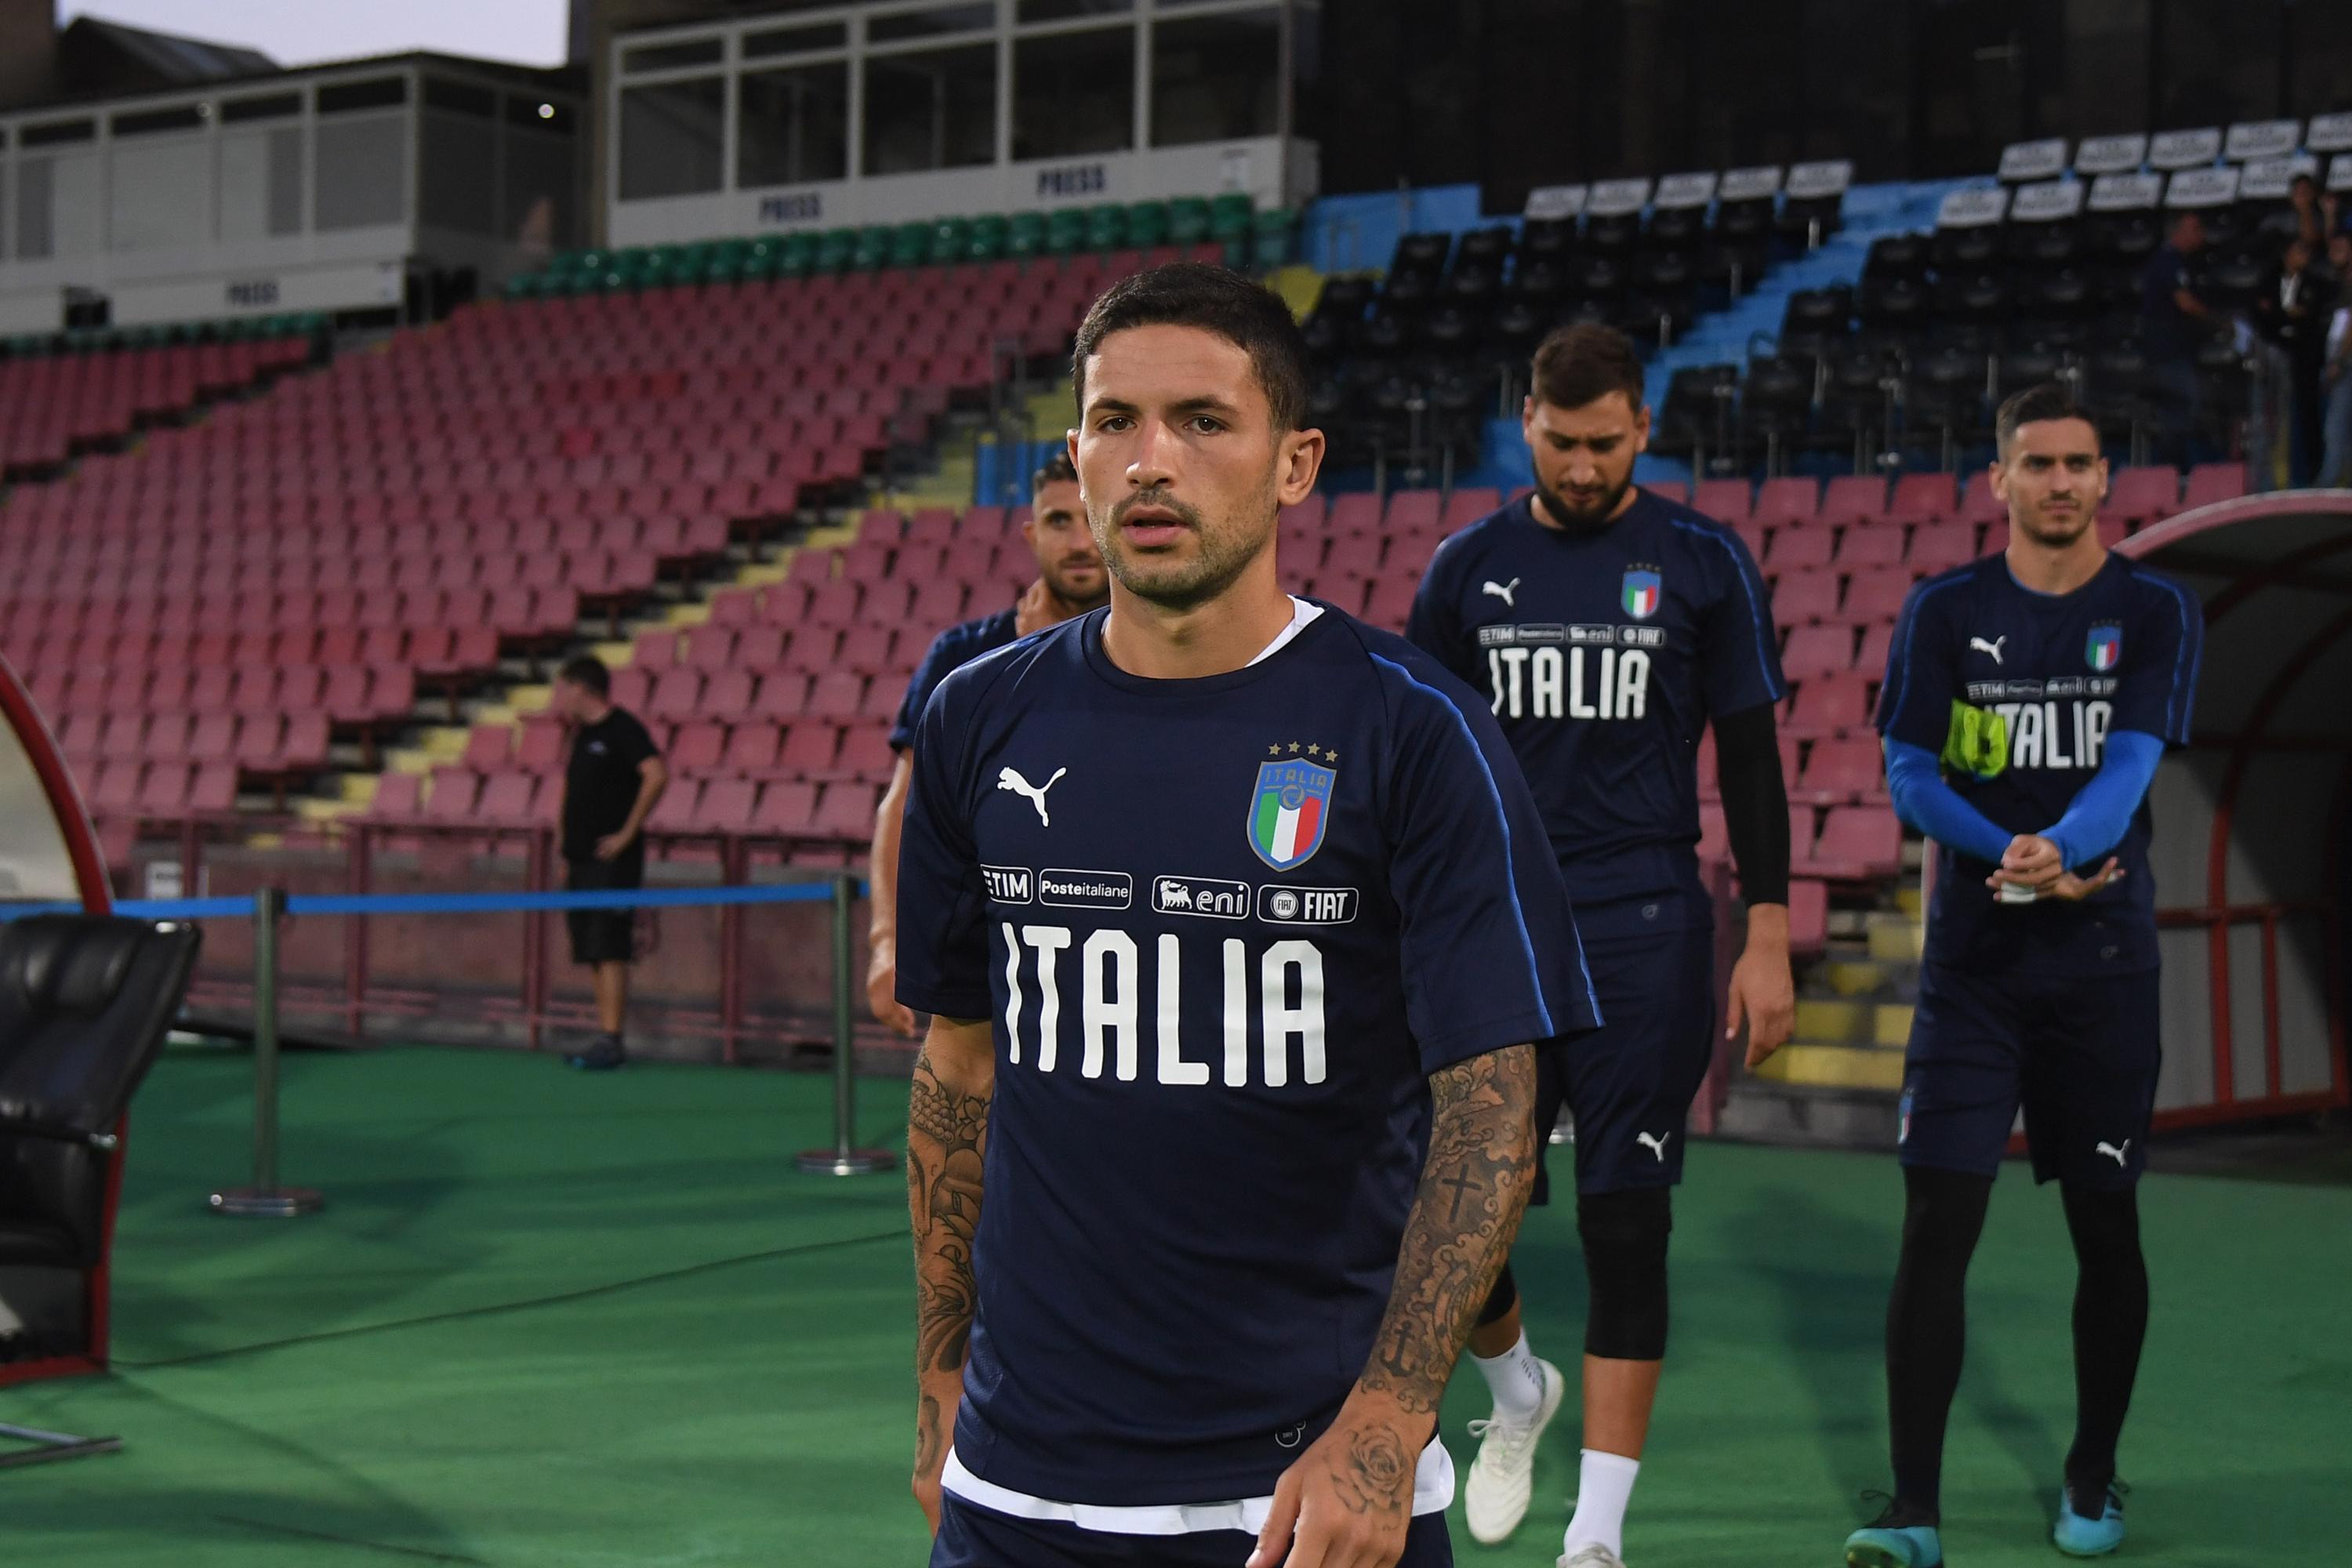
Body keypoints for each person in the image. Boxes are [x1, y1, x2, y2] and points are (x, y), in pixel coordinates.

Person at [895, 262, 1601, 1568]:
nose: (1151, 461)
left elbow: (1494, 1104)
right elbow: (957, 1068)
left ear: (1295, 463)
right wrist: (940, 1366)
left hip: (1303, 1498)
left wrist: (1391, 1412)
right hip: (1017, 1491)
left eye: (1205, 421)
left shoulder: (1415, 731)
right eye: (1117, 421)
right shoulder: (974, 717)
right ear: (1076, 453)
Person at [1406, 321, 1796, 1567]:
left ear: (1644, 425)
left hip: (1646, 928)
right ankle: (1519, 1391)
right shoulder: (1464, 570)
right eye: (1563, 442)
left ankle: (1598, 1534)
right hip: (1494, 925)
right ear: (1526, 423)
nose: (1584, 466)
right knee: (1468, 1208)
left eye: (1607, 442)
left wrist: (1769, 935)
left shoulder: (1701, 562)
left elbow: (1748, 758)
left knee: (1630, 1221)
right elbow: (1421, 770)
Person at [1846, 384, 2203, 1568]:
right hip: (1974, 969)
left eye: (2082, 464)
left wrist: (2066, 847)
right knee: (1936, 1224)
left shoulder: (2154, 610)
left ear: (2109, 480)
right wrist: (2009, 853)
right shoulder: (1944, 610)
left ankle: (2094, 1476)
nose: (2061, 483)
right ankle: (1911, 1510)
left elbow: (2134, 764)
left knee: (2107, 1224)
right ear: (1997, 479)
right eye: (2038, 464)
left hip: (2102, 965)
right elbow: (1907, 773)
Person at [866, 453, 1108, 1037]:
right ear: (1030, 535)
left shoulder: (1168, 656)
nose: (1078, 542)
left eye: (1090, 519)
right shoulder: (963, 657)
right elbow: (903, 808)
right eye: (1057, 522)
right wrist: (886, 940)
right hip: (993, 966)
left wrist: (1050, 663)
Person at [549, 655, 666, 1070]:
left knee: (610, 946)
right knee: (591, 949)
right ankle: (604, 1034)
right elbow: (572, 794)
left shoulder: (624, 729)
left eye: (564, 688)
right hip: (581, 861)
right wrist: (565, 848)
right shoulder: (581, 735)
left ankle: (613, 1038)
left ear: (583, 689)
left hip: (612, 862)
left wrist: (627, 833)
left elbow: (656, 774)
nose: (560, 697)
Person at [2253, 236, 2327, 485]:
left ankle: (2308, 475)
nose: (2303, 258)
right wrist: (2286, 315)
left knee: (2305, 418)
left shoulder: (2315, 284)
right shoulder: (2268, 283)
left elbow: (2312, 316)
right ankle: (2270, 480)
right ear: (2287, 255)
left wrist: (2283, 316)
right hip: (2275, 355)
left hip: (2304, 360)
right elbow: (2262, 315)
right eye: (2299, 252)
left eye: (2306, 253)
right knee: (2271, 418)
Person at [2138, 210, 2210, 466]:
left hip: (2177, 351)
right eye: (2195, 229)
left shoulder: (2184, 262)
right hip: (2168, 352)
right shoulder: (2169, 261)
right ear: (2178, 231)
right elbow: (2186, 304)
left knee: (2181, 412)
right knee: (2181, 409)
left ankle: (2175, 471)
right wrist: (2218, 321)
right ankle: (2174, 472)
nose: (2201, 235)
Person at [2318, 230, 2352, 488]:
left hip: (2346, 360)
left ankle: (2330, 482)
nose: (2334, 254)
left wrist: (2339, 360)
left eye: (2341, 248)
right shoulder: (2339, 281)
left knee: (2336, 426)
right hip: (2338, 356)